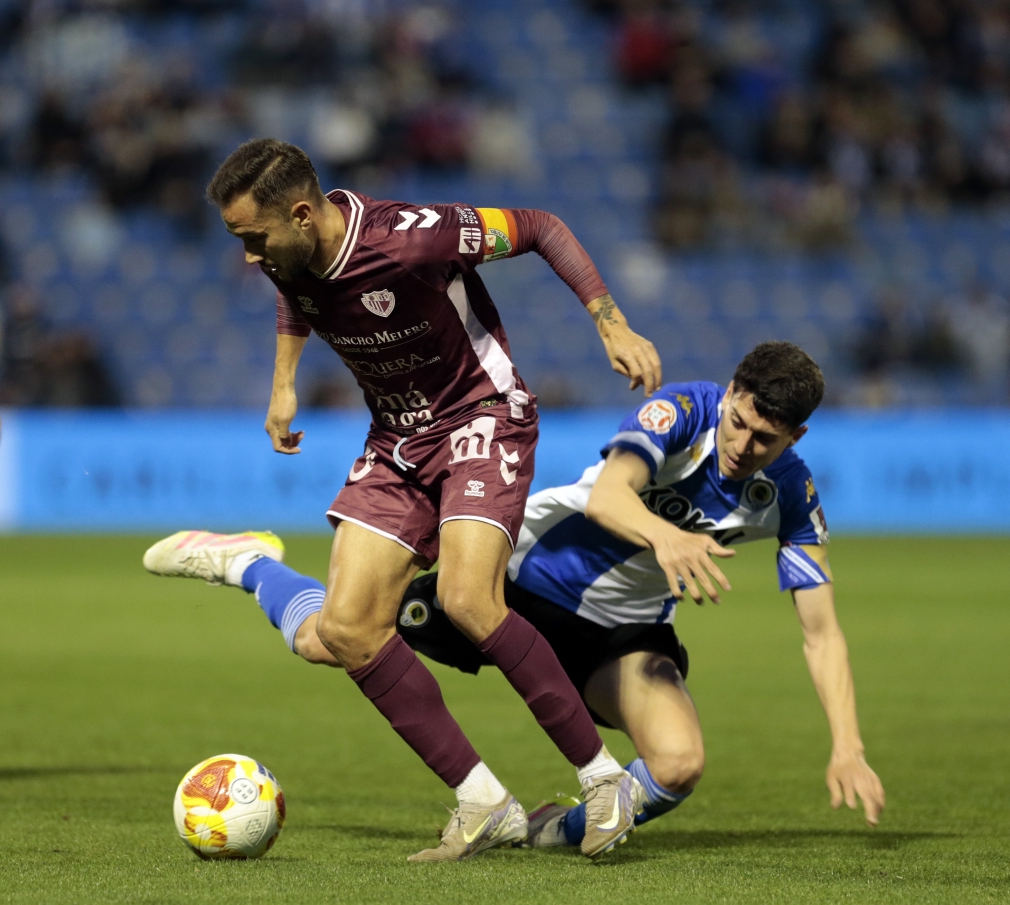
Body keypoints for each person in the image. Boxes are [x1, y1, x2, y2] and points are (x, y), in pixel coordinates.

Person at [145, 341, 886, 853]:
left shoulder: (790, 495)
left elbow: (821, 632)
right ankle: (248, 564)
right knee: (333, 637)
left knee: (680, 762)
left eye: (766, 438)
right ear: (729, 394)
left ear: (797, 435)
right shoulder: (682, 412)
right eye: (740, 420)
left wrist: (847, 746)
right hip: (511, 582)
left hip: (622, 631)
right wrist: (667, 538)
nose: (742, 444)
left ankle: (547, 831)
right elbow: (612, 495)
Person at [146, 139, 663, 861]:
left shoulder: (414, 237)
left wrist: (611, 321)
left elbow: (541, 225)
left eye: (253, 237)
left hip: (483, 415)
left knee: (467, 599)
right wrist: (283, 382)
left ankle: (603, 779)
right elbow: (296, 290)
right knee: (348, 630)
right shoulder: (291, 251)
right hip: (397, 438)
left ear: (301, 213)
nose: (247, 255)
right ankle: (485, 802)